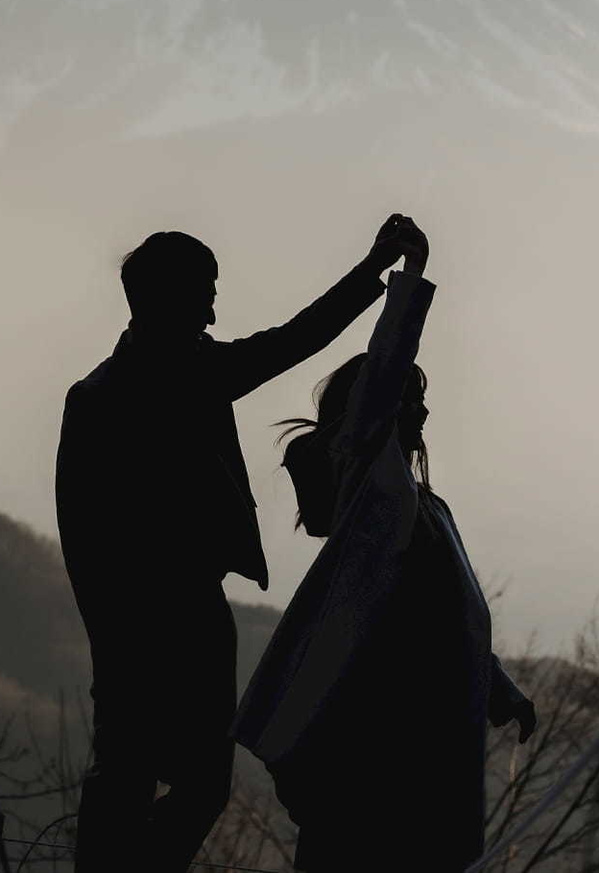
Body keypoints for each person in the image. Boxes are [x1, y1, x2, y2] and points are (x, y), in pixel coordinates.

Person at [55, 214, 423, 873]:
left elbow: (298, 336)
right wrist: (374, 271)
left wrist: (375, 272)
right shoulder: (132, 391)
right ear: (170, 297)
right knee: (152, 781)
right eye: (206, 291)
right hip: (154, 620)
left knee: (167, 782)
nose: (215, 306)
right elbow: (296, 339)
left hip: (174, 615)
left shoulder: (141, 383)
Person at [232, 224, 536, 872]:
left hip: (420, 748)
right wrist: (407, 281)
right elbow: (380, 381)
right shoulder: (375, 487)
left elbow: (447, 613)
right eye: (409, 398)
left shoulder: (426, 509)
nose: (421, 412)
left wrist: (499, 688)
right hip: (378, 750)